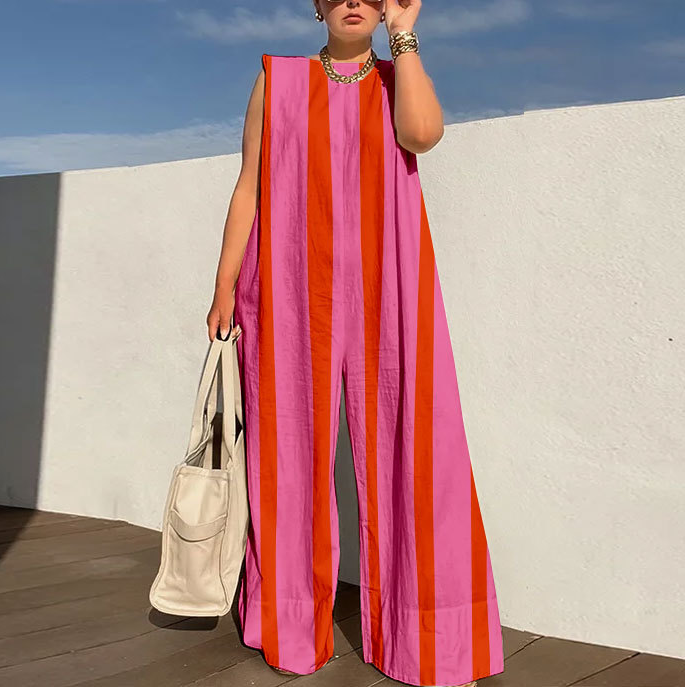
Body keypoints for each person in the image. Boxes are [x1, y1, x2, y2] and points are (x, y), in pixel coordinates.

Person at [206, 1, 504, 685]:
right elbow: (250, 184)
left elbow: (422, 136)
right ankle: (288, 625)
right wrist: (223, 285)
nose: (353, 1)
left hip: (390, 279)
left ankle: (426, 636)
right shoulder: (278, 79)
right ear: (316, 6)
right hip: (285, 282)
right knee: (285, 457)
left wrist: (404, 36)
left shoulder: (399, 78)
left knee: (417, 446)